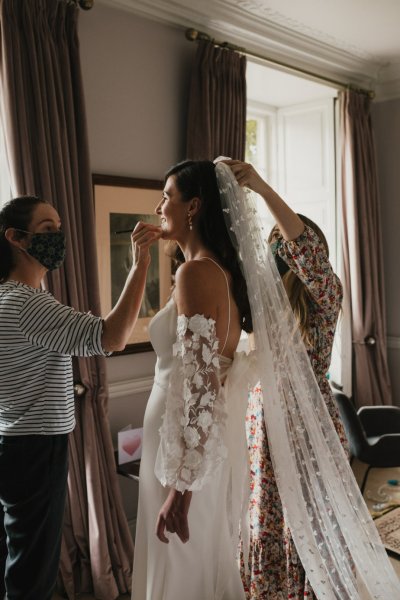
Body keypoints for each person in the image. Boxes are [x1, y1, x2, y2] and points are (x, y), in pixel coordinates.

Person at [0, 195, 161, 600]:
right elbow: (113, 336)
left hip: (14, 443)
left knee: (20, 558)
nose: (59, 237)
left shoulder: (7, 297)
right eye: (47, 230)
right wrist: (141, 262)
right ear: (16, 239)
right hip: (36, 450)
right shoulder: (27, 305)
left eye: (59, 227)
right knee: (33, 572)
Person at [131, 160, 254, 600]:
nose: (160, 205)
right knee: (192, 564)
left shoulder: (196, 273)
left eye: (167, 195)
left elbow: (201, 390)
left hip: (181, 451)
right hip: (189, 447)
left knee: (179, 569)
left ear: (193, 207)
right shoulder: (210, 271)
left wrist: (181, 491)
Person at [225, 160, 348, 599]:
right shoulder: (265, 310)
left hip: (308, 425)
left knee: (310, 525)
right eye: (272, 244)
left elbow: (302, 245)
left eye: (285, 244)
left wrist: (258, 186)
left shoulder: (326, 298)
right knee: (267, 521)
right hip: (262, 424)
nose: (278, 251)